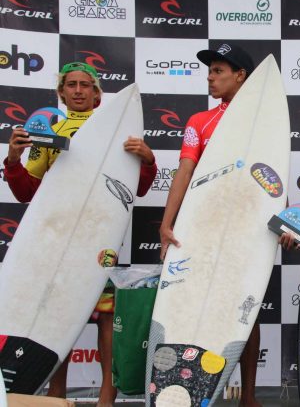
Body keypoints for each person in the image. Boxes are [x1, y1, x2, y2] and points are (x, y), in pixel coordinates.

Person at [4, 61, 157, 406]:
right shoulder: (50, 130)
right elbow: (27, 191)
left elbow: (137, 187)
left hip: (96, 236)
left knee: (105, 316)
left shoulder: (116, 130)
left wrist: (148, 160)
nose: (77, 90)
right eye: (70, 85)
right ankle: (56, 395)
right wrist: (13, 159)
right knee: (58, 311)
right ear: (61, 92)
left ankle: (107, 396)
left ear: (96, 92)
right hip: (53, 234)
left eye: (85, 85)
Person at [158, 43, 261, 407]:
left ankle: (248, 396)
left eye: (219, 70)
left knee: (245, 309)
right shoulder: (199, 123)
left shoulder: (264, 122)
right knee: (196, 305)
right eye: (210, 70)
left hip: (246, 230)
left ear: (241, 76)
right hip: (202, 228)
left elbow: (272, 177)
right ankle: (199, 391)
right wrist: (166, 224)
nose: (210, 77)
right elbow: (184, 172)